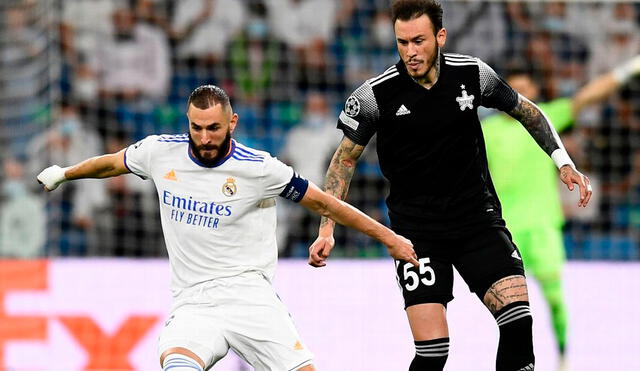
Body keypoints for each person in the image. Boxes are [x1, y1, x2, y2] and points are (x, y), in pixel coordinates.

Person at [36, 85, 418, 371]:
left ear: (232, 122)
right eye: (197, 127)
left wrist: (386, 238)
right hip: (193, 303)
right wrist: (64, 174)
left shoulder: (260, 168)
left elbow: (324, 201)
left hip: (250, 297)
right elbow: (110, 164)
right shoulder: (158, 152)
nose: (204, 138)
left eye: (214, 128)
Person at [308, 1, 592, 370]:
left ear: (440, 36)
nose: (410, 52)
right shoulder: (374, 96)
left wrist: (563, 163)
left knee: (518, 321)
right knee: (433, 353)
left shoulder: (473, 74)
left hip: (478, 223)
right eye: (402, 42)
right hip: (417, 235)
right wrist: (326, 227)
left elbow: (527, 111)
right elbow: (343, 161)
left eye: (419, 41)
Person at [481, 55, 640, 365]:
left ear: (535, 92)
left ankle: (564, 356)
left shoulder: (546, 118)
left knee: (554, 299)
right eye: (513, 91)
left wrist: (630, 68)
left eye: (525, 90)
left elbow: (587, 96)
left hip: (542, 225)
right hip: (504, 230)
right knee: (507, 306)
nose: (520, 97)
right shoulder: (487, 131)